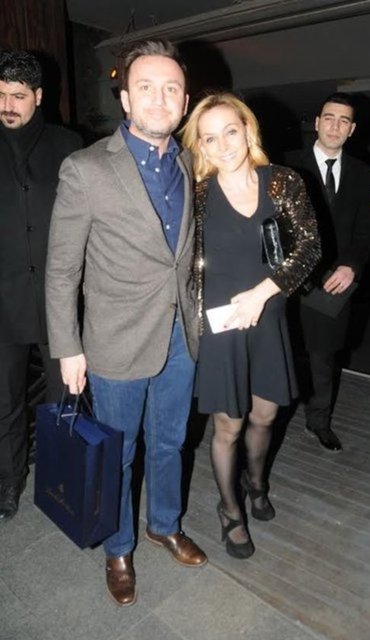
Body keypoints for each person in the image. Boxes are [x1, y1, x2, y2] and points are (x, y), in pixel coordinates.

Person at [45, 40, 207, 607]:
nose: (159, 99)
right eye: (146, 87)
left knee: (171, 441)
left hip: (181, 336)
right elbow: (62, 269)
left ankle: (163, 524)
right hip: (114, 342)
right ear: (125, 99)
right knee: (118, 452)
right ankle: (118, 547)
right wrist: (67, 347)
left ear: (184, 101)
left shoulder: (190, 165)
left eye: (171, 89)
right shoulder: (86, 168)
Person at [181, 93, 320, 559]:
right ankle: (230, 510)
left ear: (248, 130)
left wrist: (263, 292)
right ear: (200, 146)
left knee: (265, 416)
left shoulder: (282, 182)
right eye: (209, 138)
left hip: (268, 318)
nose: (222, 145)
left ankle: (256, 482)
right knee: (228, 426)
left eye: (230, 132)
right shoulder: (197, 195)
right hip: (221, 328)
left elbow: (309, 247)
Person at [0, 50, 81, 522]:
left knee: (62, 398)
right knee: (4, 402)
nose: (7, 105)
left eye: (17, 96)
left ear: (38, 96)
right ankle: (8, 481)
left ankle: (59, 480)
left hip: (58, 301)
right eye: (0, 96)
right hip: (3, 299)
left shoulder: (68, 145)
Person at [291, 93, 370, 452]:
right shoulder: (286, 164)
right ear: (317, 122)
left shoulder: (362, 174)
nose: (335, 126)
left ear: (352, 129)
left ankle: (319, 421)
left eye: (343, 121)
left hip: (333, 284)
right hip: (287, 281)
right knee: (281, 352)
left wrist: (351, 266)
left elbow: (365, 231)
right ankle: (268, 418)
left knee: (323, 357)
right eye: (329, 118)